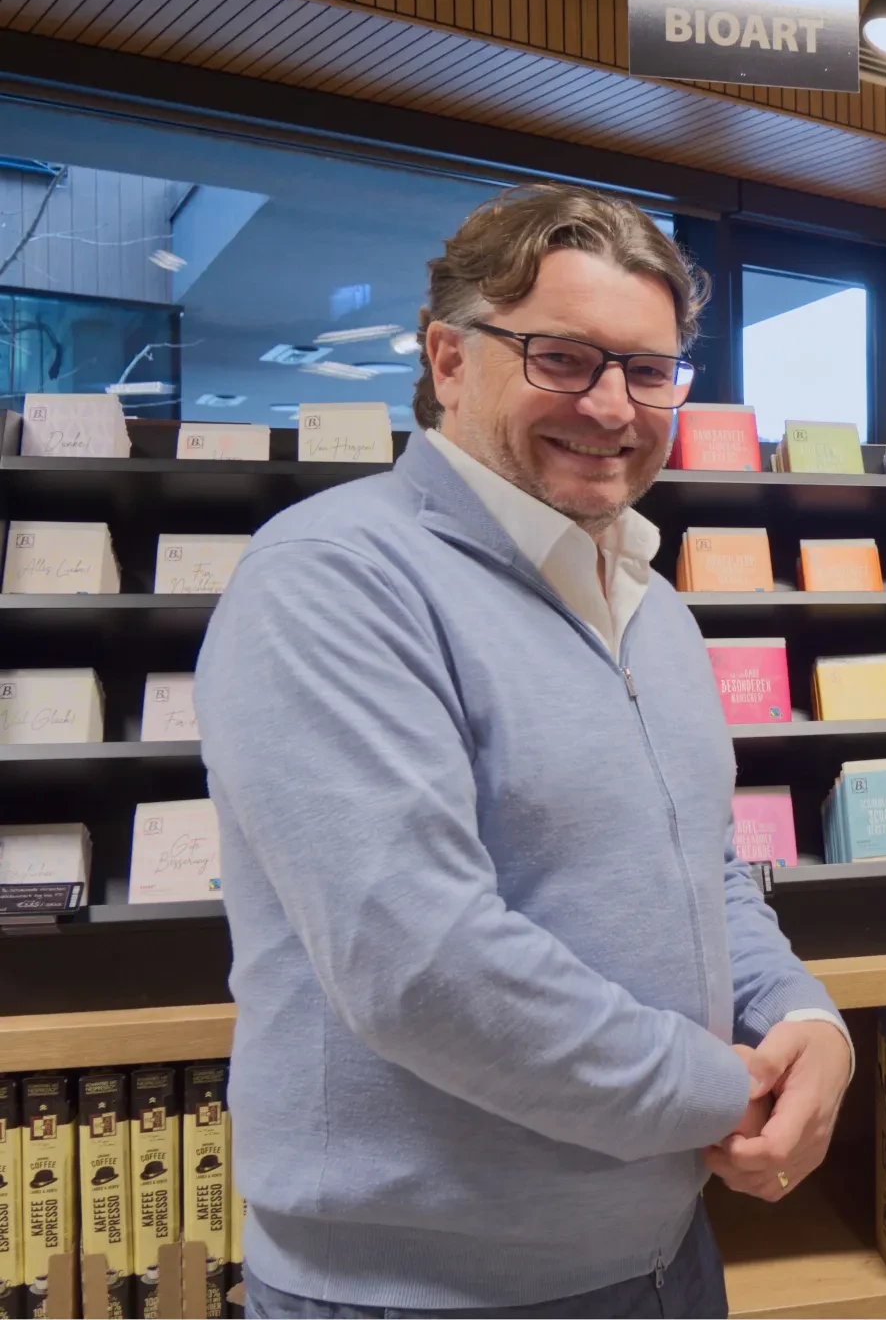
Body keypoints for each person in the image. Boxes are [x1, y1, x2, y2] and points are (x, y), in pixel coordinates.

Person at [197, 184, 852, 1319]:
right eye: (564, 358)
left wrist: (804, 1018)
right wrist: (715, 1088)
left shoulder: (653, 605)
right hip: (421, 1292)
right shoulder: (333, 580)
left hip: (665, 1252)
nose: (613, 406)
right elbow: (420, 960)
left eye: (650, 371)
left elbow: (705, 872)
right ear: (450, 359)